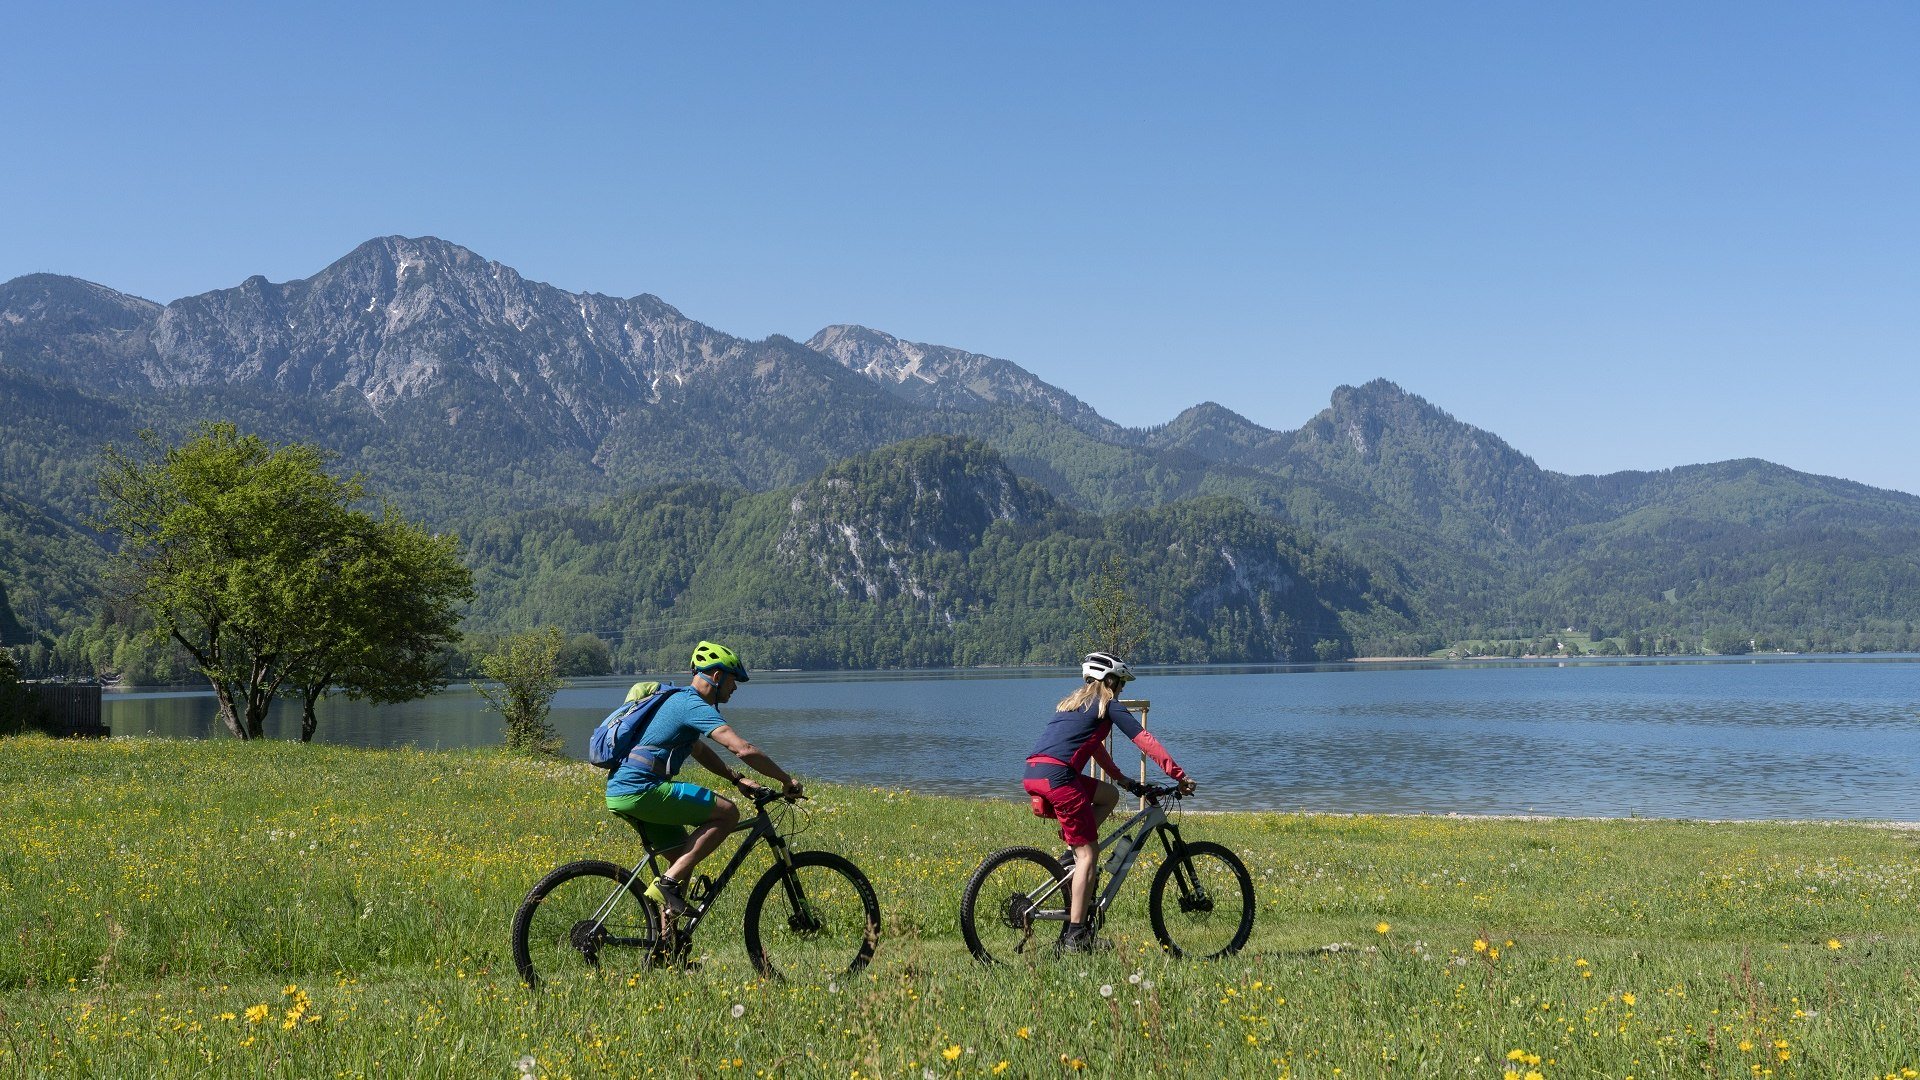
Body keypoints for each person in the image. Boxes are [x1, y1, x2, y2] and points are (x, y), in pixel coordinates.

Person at [604, 640, 803, 917]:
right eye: (733, 680)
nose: (735, 688)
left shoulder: (677, 701)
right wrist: (786, 780)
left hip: (623, 791)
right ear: (717, 677)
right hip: (642, 790)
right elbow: (741, 748)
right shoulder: (691, 704)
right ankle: (667, 884)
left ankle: (666, 950)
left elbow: (697, 749)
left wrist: (737, 780)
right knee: (727, 813)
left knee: (681, 860)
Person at [1023, 651, 1194, 952]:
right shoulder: (1108, 705)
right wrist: (1178, 775)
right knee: (1089, 854)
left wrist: (1122, 780)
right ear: (1110, 680)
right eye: (1121, 684)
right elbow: (1144, 740)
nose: (1122, 691)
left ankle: (1068, 857)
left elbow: (1093, 749)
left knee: (1109, 796)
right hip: (1060, 778)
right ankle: (1075, 936)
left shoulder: (1072, 705)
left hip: (1036, 772)